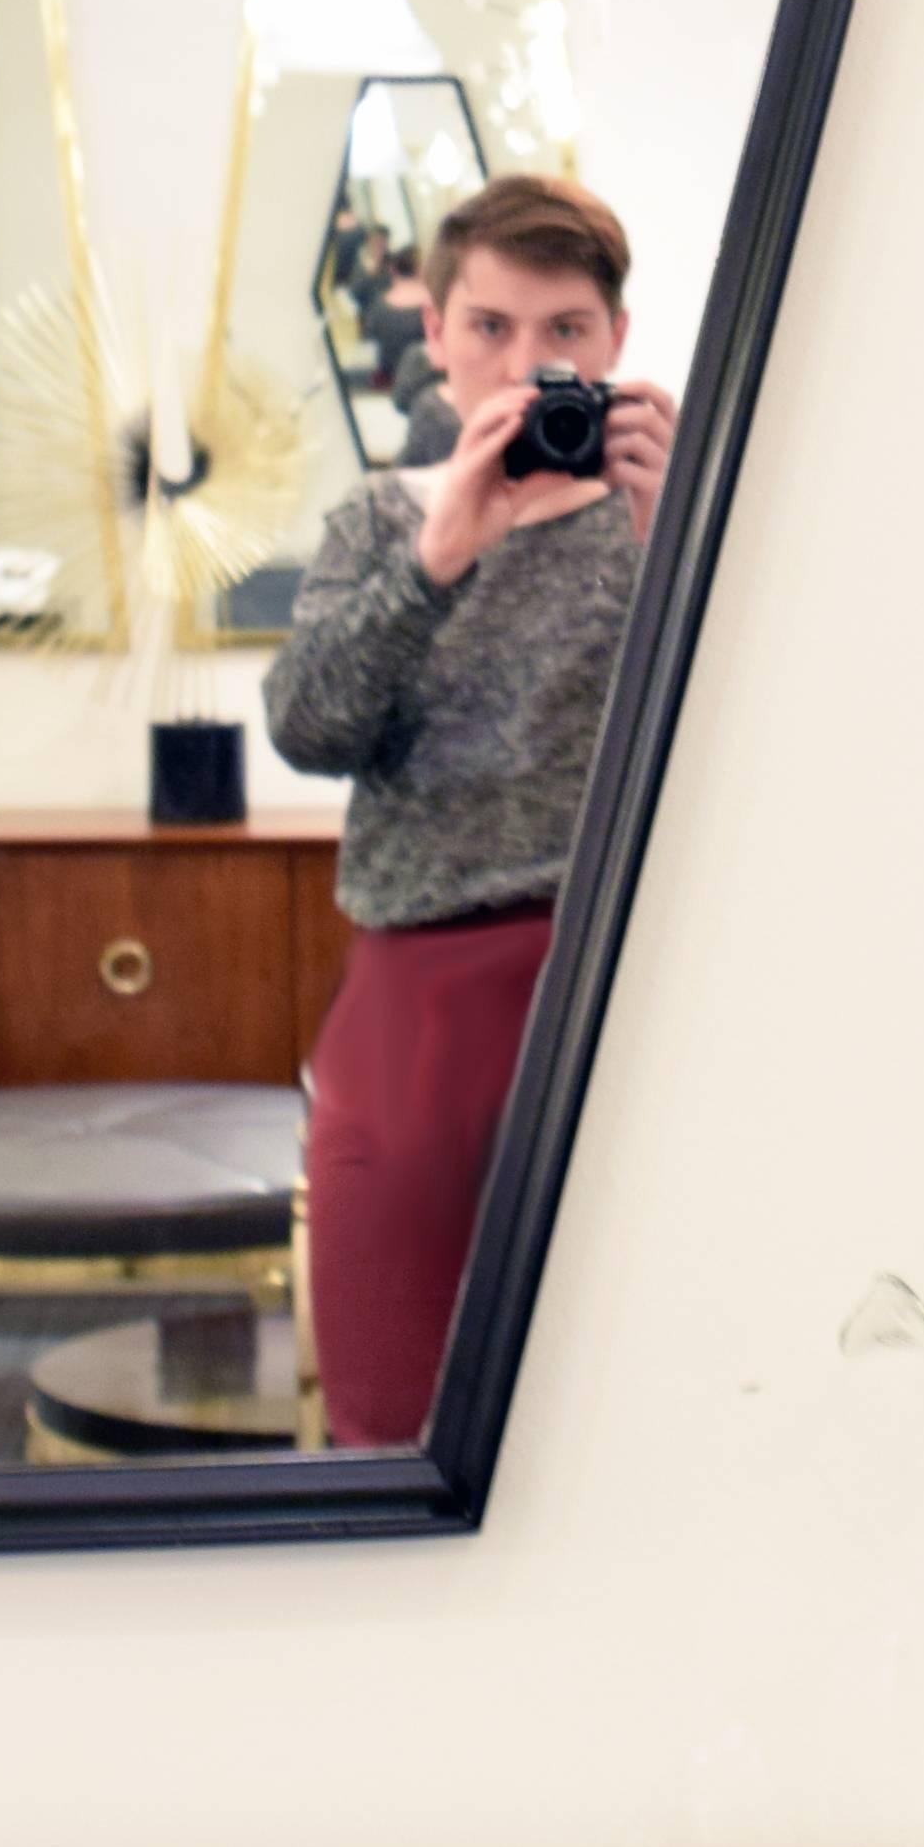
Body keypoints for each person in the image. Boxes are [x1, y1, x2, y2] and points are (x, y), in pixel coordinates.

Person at [258, 170, 673, 1452]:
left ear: (615, 344)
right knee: (395, 1425)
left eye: (565, 332)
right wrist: (440, 555)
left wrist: (684, 551)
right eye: (491, 326)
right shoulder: (380, 521)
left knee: (639, 1414)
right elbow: (308, 725)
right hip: (418, 1014)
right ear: (432, 338)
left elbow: (777, 747)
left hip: (632, 993)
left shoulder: (685, 525)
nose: (525, 364)